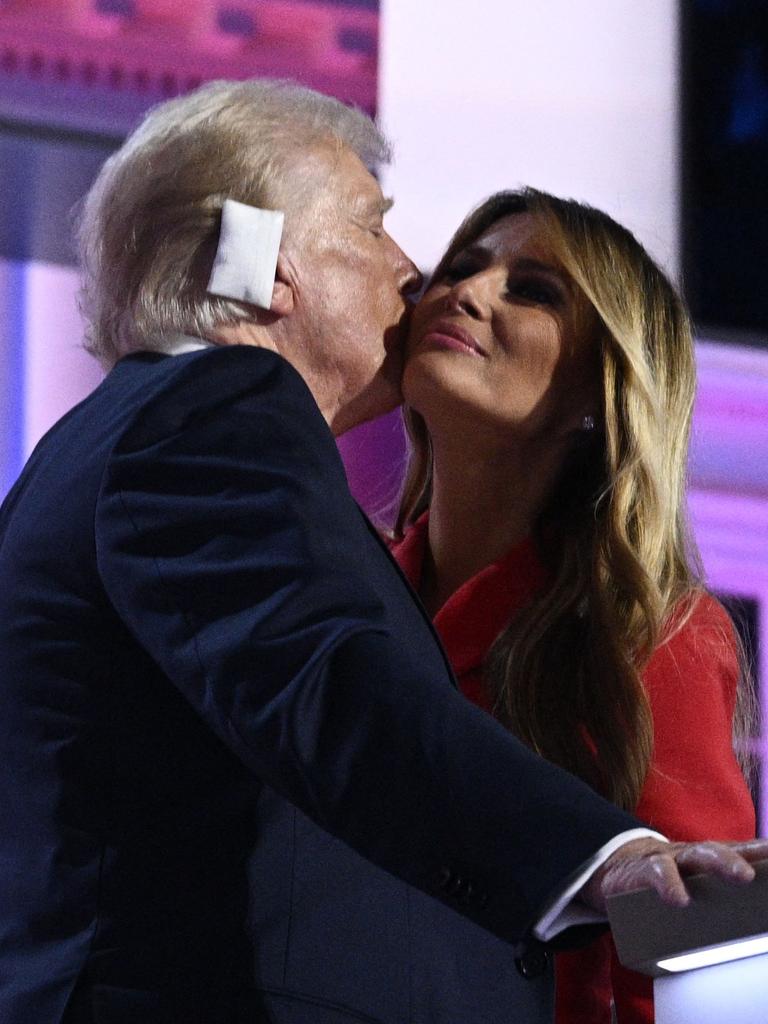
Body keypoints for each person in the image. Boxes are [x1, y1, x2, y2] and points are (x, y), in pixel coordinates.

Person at [0, 81, 764, 1024]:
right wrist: (600, 858)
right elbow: (330, 684)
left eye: (529, 290)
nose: (422, 278)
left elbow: (704, 932)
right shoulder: (213, 415)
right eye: (373, 229)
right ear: (265, 265)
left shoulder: (147, 457)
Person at [392, 186, 758, 1023]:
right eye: (463, 267)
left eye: (533, 290)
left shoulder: (645, 630)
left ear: (599, 395)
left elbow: (698, 950)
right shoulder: (345, 585)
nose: (468, 293)